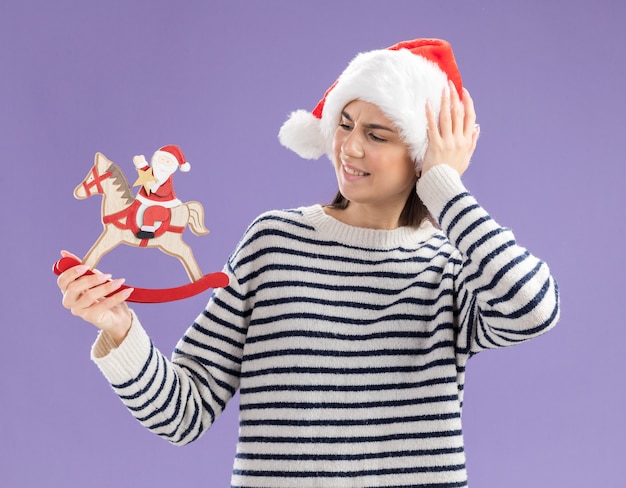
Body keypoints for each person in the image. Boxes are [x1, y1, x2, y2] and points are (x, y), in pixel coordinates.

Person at [57, 38, 560, 487]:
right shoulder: (274, 242)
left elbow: (533, 308)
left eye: (378, 134)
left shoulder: (453, 266)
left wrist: (445, 186)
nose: (350, 146)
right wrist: (121, 330)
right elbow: (182, 414)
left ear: (424, 154)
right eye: (344, 124)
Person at [132, 144, 191, 239]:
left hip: (165, 205)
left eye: (168, 161)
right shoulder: (152, 172)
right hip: (144, 199)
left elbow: (164, 191)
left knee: (150, 212)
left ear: (172, 166)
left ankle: (148, 232)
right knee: (133, 207)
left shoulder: (167, 179)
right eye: (162, 159)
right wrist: (140, 163)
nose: (163, 163)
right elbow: (145, 172)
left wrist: (154, 187)